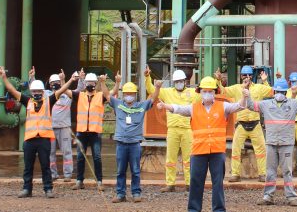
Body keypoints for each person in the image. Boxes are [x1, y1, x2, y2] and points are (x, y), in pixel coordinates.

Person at [160, 77, 247, 212]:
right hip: (199, 150)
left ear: (215, 92)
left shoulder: (223, 106)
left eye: (210, 91)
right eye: (204, 91)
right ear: (200, 92)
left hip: (217, 151)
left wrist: (244, 97)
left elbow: (239, 106)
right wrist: (167, 106)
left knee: (217, 181)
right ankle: (194, 210)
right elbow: (179, 109)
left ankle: (219, 211)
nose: (207, 94)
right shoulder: (194, 108)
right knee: (195, 180)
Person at [0, 67, 79, 198]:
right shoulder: (27, 101)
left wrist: (70, 79)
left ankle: (48, 189)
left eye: (39, 91)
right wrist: (3, 78)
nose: (36, 93)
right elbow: (12, 90)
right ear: (31, 92)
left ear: (43, 92)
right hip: (30, 139)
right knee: (28, 167)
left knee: (45, 166)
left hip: (44, 139)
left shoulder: (49, 101)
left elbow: (62, 89)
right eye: (34, 91)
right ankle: (27, 189)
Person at [253, 77, 297, 206]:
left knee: (287, 171)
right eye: (277, 91)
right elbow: (251, 105)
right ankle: (268, 196)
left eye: (282, 92)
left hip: (286, 144)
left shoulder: (293, 104)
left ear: (285, 93)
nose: (279, 94)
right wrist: (245, 93)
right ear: (274, 92)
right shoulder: (266, 105)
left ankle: (291, 197)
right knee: (270, 171)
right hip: (271, 143)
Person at [108, 73, 161, 203]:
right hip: (121, 143)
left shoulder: (141, 106)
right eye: (126, 93)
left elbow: (153, 99)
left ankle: (136, 193)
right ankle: (120, 194)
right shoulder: (118, 104)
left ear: (135, 95)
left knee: (136, 170)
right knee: (120, 170)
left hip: (134, 144)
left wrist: (157, 88)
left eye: (131, 93)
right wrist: (115, 83)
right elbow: (106, 95)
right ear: (123, 95)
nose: (129, 95)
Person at [145, 68, 197, 192]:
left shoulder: (193, 92)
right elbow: (152, 90)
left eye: (181, 81)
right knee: (170, 158)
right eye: (177, 81)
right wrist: (148, 78)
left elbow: (204, 96)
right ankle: (170, 183)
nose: (179, 83)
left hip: (187, 129)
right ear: (174, 82)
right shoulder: (167, 92)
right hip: (172, 129)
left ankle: (190, 183)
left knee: (189, 158)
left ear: (185, 81)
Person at [58, 71, 109, 191]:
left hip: (95, 132)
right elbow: (65, 90)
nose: (90, 84)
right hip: (81, 132)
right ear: (85, 83)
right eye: (88, 82)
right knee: (81, 157)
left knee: (97, 157)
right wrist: (63, 80)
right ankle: (79, 181)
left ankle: (99, 182)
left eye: (92, 83)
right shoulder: (79, 95)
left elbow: (110, 94)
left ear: (95, 84)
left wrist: (104, 83)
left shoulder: (100, 96)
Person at [219, 65, 270, 183]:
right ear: (241, 76)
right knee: (236, 150)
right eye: (244, 75)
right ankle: (235, 174)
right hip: (241, 124)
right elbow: (223, 91)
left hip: (255, 123)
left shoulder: (259, 88)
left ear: (252, 76)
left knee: (261, 150)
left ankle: (263, 174)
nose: (247, 77)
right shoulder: (237, 88)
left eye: (249, 75)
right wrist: (219, 80)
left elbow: (270, 92)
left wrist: (265, 81)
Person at [45, 70, 82, 182]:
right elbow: (34, 91)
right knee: (50, 153)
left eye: (57, 82)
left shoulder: (67, 96)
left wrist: (80, 79)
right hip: (50, 128)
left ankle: (67, 174)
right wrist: (31, 78)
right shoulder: (47, 95)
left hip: (64, 128)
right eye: (53, 83)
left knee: (67, 151)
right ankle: (53, 174)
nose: (55, 84)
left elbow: (79, 91)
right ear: (50, 84)